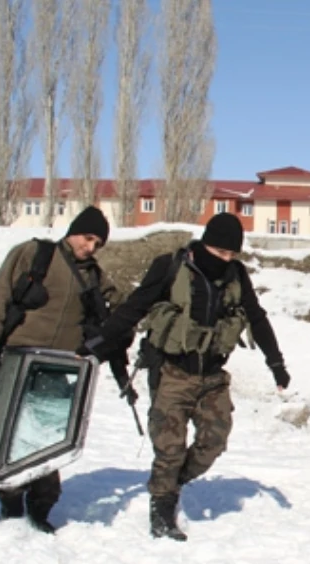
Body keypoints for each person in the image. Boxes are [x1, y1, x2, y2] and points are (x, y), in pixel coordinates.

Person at [81, 213, 291, 541]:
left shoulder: (235, 275)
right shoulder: (170, 266)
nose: (226, 260)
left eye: (232, 255)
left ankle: (172, 481)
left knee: (214, 441)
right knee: (169, 446)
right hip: (172, 371)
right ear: (206, 244)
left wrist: (276, 363)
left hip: (212, 374)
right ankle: (162, 508)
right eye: (221, 253)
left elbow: (257, 318)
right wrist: (97, 345)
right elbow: (134, 308)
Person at [0, 205, 122, 534]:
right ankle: (10, 501)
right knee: (12, 434)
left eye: (98, 243)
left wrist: (96, 346)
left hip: (59, 366)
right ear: (73, 231)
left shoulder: (94, 275)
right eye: (88, 237)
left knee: (48, 436)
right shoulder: (35, 254)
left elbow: (121, 312)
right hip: (16, 359)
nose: (91, 247)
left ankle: (40, 507)